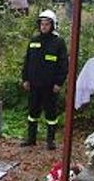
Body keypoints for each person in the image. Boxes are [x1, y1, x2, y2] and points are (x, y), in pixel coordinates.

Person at [21, 9, 68, 149]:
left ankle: (50, 140)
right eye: (42, 24)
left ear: (53, 25)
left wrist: (59, 82)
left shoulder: (58, 42)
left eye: (47, 24)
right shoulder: (34, 41)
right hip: (34, 84)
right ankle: (31, 138)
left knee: (51, 114)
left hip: (50, 86)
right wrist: (25, 79)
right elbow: (27, 61)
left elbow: (63, 64)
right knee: (32, 112)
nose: (44, 27)